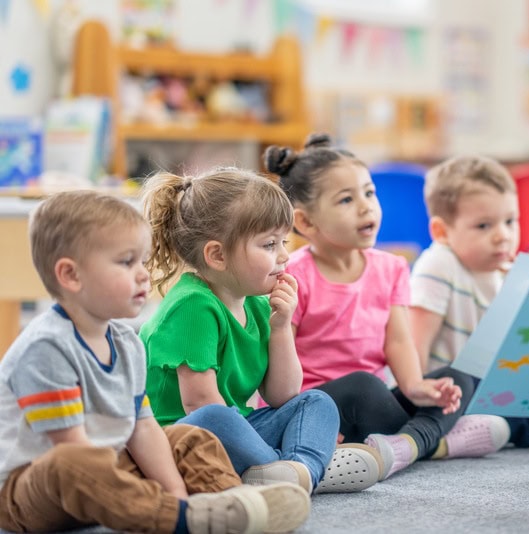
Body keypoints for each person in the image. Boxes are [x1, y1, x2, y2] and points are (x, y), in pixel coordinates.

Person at [0, 190, 310, 533]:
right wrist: (173, 508)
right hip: (29, 491)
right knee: (72, 462)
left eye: (142, 261)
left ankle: (231, 504)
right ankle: (180, 520)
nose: (143, 275)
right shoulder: (46, 348)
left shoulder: (125, 342)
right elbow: (74, 450)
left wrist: (178, 492)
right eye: (125, 262)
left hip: (109, 467)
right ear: (71, 276)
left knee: (191, 438)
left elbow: (143, 427)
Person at [264, 134, 510, 480]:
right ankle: (438, 441)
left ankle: (405, 445)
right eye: (346, 200)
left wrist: (414, 386)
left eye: (369, 193)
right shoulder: (292, 276)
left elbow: (398, 341)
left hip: (376, 404)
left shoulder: (391, 268)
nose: (366, 207)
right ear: (305, 223)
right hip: (317, 406)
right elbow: (276, 359)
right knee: (364, 386)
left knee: (459, 377)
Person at [139, 167, 381, 496]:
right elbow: (199, 403)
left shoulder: (254, 302)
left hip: (239, 429)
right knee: (215, 416)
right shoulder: (192, 306)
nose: (284, 255)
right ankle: (293, 469)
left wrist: (281, 327)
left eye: (283, 241)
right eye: (269, 244)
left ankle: (298, 470)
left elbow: (283, 395)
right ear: (218, 255)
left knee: (316, 402)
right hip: (181, 438)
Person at [408, 155, 529, 448]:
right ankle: (452, 437)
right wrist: (418, 391)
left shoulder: (505, 273)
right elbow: (416, 343)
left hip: (488, 390)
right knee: (463, 380)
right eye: (483, 226)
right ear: (441, 232)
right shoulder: (439, 263)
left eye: (510, 221)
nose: (502, 236)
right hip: (446, 394)